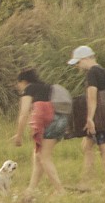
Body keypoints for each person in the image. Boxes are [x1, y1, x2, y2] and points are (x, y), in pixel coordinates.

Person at [10, 68, 66, 196]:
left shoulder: (29, 89)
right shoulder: (48, 87)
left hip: (48, 121)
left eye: (18, 83)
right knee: (38, 155)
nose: (18, 86)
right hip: (61, 120)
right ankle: (31, 189)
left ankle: (60, 190)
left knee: (44, 157)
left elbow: (24, 114)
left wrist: (18, 135)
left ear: (23, 81)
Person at [68, 45, 105, 191]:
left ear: (86, 58)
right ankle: (88, 181)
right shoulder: (102, 71)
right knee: (88, 147)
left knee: (103, 149)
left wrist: (90, 119)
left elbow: (92, 96)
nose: (78, 66)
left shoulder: (92, 73)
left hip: (97, 118)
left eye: (78, 62)